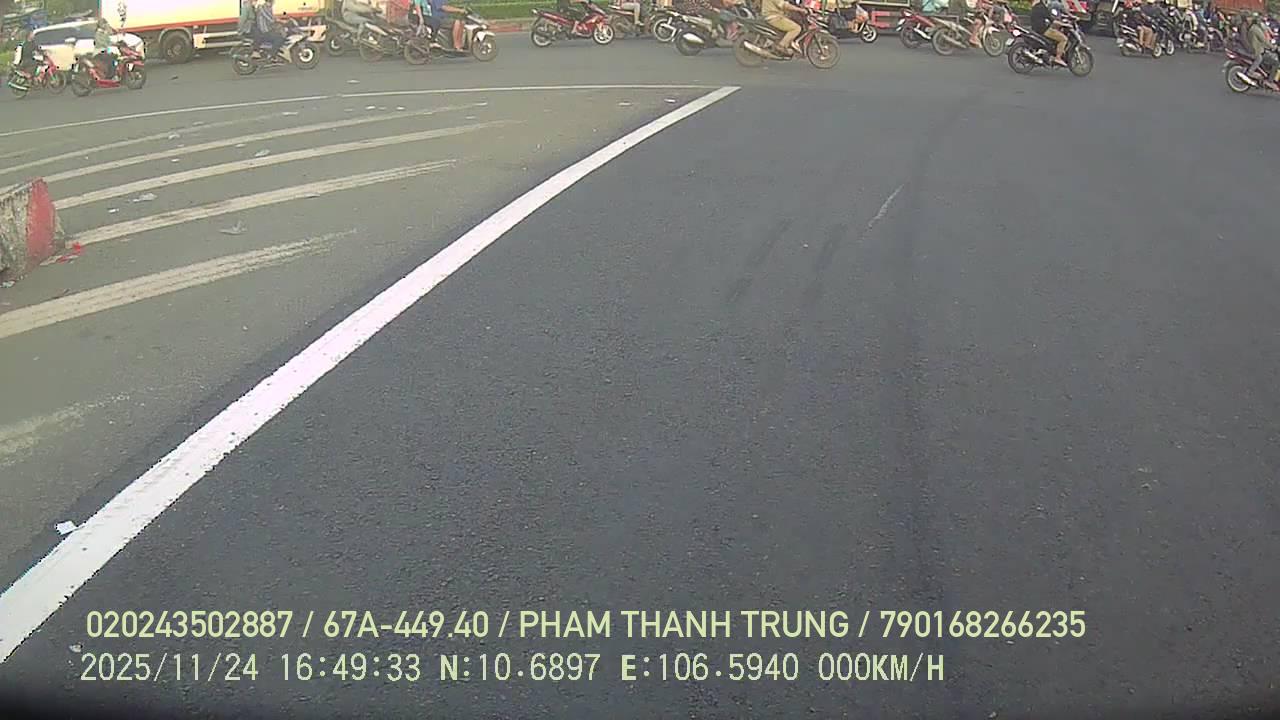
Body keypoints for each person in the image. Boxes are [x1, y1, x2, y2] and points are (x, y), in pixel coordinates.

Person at [1030, 0, 1067, 65]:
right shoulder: (1042, 7)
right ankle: (1058, 58)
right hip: (1044, 29)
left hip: (1036, 28)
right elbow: (1053, 21)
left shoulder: (1035, 7)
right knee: (1064, 39)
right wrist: (1065, 25)